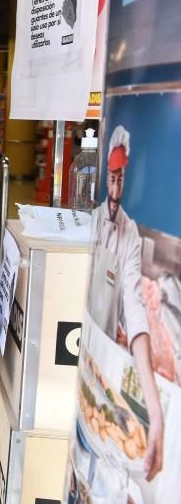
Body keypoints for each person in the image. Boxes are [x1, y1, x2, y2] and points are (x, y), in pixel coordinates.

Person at [88, 125, 165, 482]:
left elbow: (134, 307)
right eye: (112, 178)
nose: (116, 189)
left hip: (102, 358)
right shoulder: (91, 220)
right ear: (106, 176)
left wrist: (156, 414)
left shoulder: (130, 234)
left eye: (121, 179)